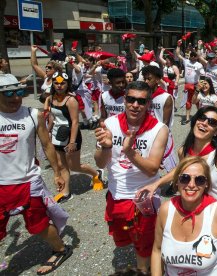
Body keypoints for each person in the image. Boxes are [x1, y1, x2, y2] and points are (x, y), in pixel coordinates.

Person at [0, 73, 71, 275]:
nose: (15, 99)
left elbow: (47, 145)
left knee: (38, 225)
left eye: (19, 93)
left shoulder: (33, 114)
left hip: (28, 181)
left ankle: (61, 249)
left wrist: (57, 172)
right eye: (9, 95)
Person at [94, 81, 168, 273]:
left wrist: (129, 152)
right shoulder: (110, 123)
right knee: (125, 240)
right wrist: (107, 147)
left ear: (148, 104)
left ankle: (143, 271)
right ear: (125, 99)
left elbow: (152, 169)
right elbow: (100, 163)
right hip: (115, 195)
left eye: (141, 101)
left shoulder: (159, 129)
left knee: (143, 246)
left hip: (143, 199)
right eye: (132, 99)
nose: (136, 105)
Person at [45, 72, 105, 203]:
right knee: (61, 165)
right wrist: (47, 132)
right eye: (56, 83)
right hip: (57, 135)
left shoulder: (71, 100)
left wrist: (72, 142)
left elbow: (75, 122)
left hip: (72, 136)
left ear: (67, 84)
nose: (59, 86)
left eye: (62, 83)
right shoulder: (51, 98)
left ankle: (96, 174)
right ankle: (66, 192)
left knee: (74, 166)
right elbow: (51, 117)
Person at [175, 44, 204, 125]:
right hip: (187, 85)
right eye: (191, 56)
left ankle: (200, 116)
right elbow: (178, 54)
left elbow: (203, 76)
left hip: (195, 85)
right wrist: (178, 45)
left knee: (197, 102)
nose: (193, 57)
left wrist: (200, 86)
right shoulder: (186, 61)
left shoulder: (199, 65)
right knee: (188, 102)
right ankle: (187, 118)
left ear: (197, 57)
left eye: (195, 56)